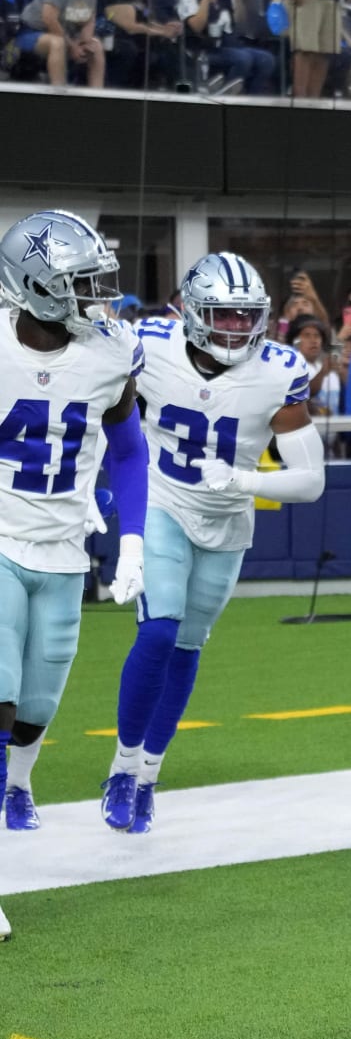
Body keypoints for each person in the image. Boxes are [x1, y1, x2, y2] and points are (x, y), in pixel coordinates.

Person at [100, 253, 325, 834]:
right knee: (158, 629)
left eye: (243, 315)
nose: (233, 327)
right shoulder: (147, 343)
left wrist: (246, 481)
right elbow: (97, 406)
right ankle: (123, 770)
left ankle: (150, 773)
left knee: (187, 647)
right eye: (221, 315)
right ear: (194, 312)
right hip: (162, 502)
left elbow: (311, 480)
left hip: (227, 522)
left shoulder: (279, 370)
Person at [0, 210, 148, 834]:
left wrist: (133, 538)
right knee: (0, 694)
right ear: (36, 285)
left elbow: (129, 448)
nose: (97, 298)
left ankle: (18, 783)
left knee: (38, 702)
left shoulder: (111, 355)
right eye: (81, 283)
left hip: (64, 550)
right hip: (2, 536)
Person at [99, 0, 184, 92]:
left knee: (170, 50)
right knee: (132, 49)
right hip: (118, 40)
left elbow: (146, 18)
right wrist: (162, 31)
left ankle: (180, 92)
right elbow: (130, 26)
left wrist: (168, 27)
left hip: (143, 42)